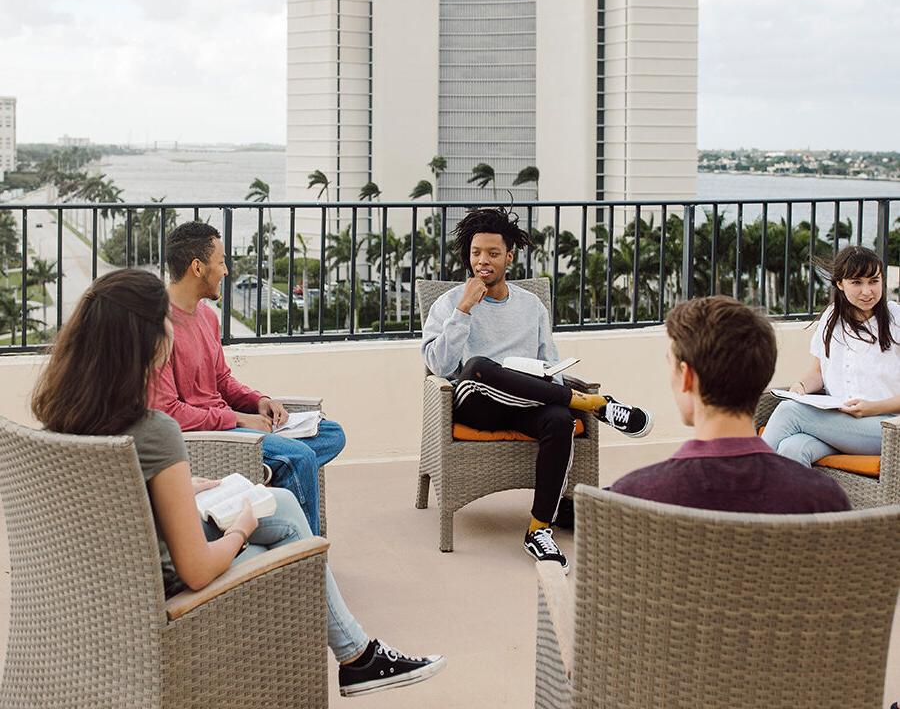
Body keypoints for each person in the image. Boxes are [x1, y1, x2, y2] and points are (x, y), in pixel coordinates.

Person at [31, 269, 445, 697]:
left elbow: (107, 495)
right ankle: (354, 656)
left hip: (108, 579)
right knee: (288, 543)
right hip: (165, 592)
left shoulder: (62, 418)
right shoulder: (154, 431)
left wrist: (182, 487)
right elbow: (196, 570)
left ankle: (357, 654)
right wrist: (240, 531)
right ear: (150, 339)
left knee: (280, 500)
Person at [421, 207, 653, 573]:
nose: (483, 261)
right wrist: (464, 310)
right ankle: (594, 404)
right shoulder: (450, 303)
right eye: (477, 253)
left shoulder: (531, 307)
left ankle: (538, 528)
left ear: (509, 257)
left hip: (528, 399)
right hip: (473, 399)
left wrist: (553, 386)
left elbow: (550, 364)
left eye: (493, 254)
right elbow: (439, 366)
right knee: (479, 365)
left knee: (560, 419)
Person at [149, 221, 342, 536]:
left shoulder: (207, 317)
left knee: (332, 432)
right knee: (302, 459)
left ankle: (261, 491)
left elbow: (222, 381)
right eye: (221, 261)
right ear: (197, 267)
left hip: (234, 426)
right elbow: (169, 413)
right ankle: (305, 555)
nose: (226, 271)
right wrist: (237, 420)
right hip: (211, 439)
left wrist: (260, 402)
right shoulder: (158, 326)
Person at [610, 295, 850, 513]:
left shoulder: (633, 497)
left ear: (687, 377)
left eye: (670, 364)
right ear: (762, 374)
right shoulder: (823, 498)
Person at [762, 246, 900, 467]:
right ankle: (793, 501)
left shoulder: (896, 317)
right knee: (792, 448)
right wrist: (800, 387)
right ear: (840, 284)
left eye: (874, 281)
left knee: (790, 412)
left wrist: (872, 407)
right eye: (856, 282)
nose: (867, 291)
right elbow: (818, 372)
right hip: (840, 424)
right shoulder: (831, 318)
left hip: (887, 427)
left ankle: (742, 484)